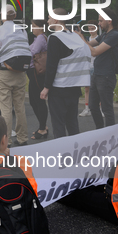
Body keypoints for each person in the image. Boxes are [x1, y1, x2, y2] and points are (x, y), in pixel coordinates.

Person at [40, 9, 91, 138]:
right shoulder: (75, 37)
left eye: (50, 17)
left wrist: (46, 87)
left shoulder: (55, 38)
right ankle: (76, 153)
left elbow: (52, 65)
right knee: (73, 125)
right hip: (74, 88)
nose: (48, 20)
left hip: (59, 89)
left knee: (59, 126)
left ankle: (61, 156)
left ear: (56, 20)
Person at [0, 5, 31, 145]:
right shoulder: (22, 30)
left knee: (5, 109)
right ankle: (23, 138)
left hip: (3, 73)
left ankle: (6, 142)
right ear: (15, 15)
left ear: (2, 16)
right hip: (20, 73)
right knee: (20, 108)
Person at [86, 9, 118, 128]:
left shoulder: (115, 35)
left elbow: (95, 52)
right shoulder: (104, 35)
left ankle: (109, 134)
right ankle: (100, 130)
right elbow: (90, 45)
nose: (99, 23)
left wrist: (81, 38)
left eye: (101, 21)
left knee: (107, 109)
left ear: (109, 21)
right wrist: (78, 38)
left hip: (106, 76)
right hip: (97, 74)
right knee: (92, 106)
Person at [27, 19, 49, 139]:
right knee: (33, 100)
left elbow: (33, 52)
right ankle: (43, 126)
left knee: (38, 101)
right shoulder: (38, 39)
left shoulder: (41, 38)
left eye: (34, 26)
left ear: (41, 28)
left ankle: (42, 129)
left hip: (37, 72)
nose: (32, 28)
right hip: (34, 72)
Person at [79, 19, 99, 117]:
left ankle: (98, 108)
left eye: (93, 28)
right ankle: (87, 108)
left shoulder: (100, 39)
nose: (91, 31)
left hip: (96, 66)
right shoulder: (86, 39)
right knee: (87, 89)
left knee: (97, 89)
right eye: (89, 29)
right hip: (87, 66)